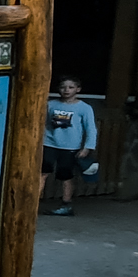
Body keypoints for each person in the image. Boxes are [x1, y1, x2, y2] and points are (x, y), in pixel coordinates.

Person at [40, 75, 97, 216]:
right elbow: (42, 123)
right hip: (49, 143)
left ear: (78, 89)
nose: (66, 90)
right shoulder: (51, 105)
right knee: (42, 173)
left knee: (66, 176)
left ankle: (66, 204)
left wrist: (87, 147)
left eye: (71, 87)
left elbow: (90, 128)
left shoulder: (84, 108)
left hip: (70, 147)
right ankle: (32, 203)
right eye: (63, 87)